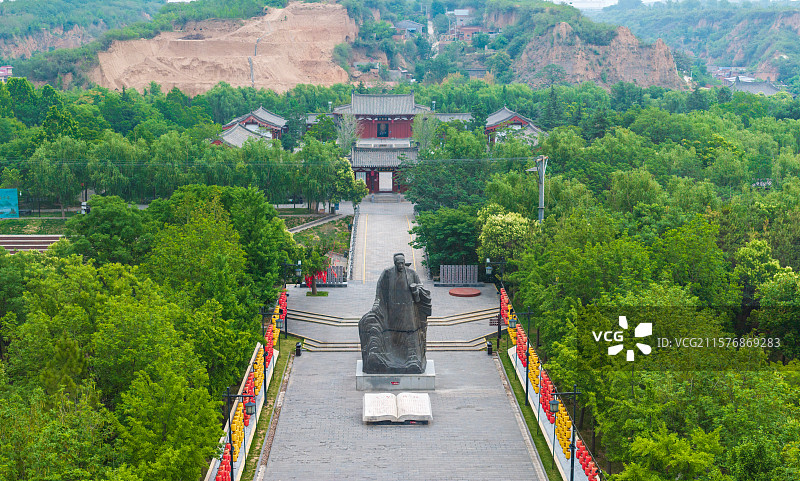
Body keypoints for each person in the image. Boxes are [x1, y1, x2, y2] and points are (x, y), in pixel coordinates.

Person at [359, 253, 432, 373]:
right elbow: (380, 288)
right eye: (399, 263)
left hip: (408, 309)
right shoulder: (387, 273)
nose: (401, 265)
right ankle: (392, 358)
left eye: (403, 263)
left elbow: (421, 287)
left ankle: (412, 358)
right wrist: (377, 303)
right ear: (395, 263)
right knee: (393, 333)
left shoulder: (411, 273)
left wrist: (416, 290)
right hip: (393, 309)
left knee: (409, 333)